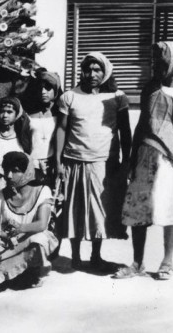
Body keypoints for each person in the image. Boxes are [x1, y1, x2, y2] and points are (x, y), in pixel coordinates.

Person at [114, 42, 173, 280]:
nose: (157, 66)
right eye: (155, 62)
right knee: (138, 208)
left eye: (162, 62)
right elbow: (142, 125)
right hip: (145, 154)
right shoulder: (151, 88)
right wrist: (131, 158)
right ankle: (137, 263)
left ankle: (167, 262)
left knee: (170, 208)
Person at [55, 52, 131, 270]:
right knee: (74, 209)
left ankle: (96, 256)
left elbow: (125, 131)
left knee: (100, 211)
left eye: (97, 70)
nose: (92, 74)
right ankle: (76, 257)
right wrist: (59, 161)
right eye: (88, 69)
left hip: (104, 162)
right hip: (73, 160)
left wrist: (126, 160)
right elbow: (61, 129)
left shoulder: (117, 97)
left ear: (105, 71)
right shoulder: (69, 96)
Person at [0, 151, 58, 289]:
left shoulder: (42, 191)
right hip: (7, 244)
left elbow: (42, 224)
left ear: (27, 172)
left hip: (29, 239)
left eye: (15, 171)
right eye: (6, 170)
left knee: (38, 240)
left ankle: (34, 271)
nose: (8, 176)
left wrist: (20, 228)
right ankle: (16, 275)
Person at [0, 96, 30, 199]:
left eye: (9, 112)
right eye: (2, 111)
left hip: (14, 186)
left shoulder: (22, 140)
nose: (5, 115)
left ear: (17, 114)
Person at [28, 70, 62, 186]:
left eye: (48, 88)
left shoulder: (62, 115)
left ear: (56, 90)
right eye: (40, 88)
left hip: (53, 164)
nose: (43, 92)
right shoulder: (28, 114)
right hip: (32, 164)